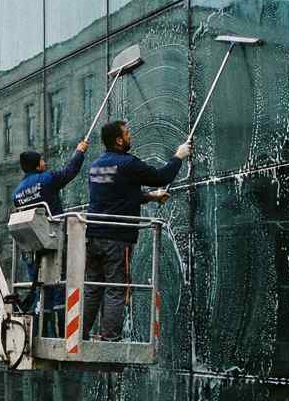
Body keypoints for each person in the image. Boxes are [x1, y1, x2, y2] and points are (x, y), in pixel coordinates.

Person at [84, 121, 187, 341]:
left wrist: (150, 197)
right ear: (119, 140)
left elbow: (116, 196)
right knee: (116, 288)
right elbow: (161, 177)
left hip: (93, 236)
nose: (130, 136)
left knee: (92, 288)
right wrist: (179, 156)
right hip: (117, 238)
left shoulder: (96, 166)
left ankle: (78, 334)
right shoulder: (128, 163)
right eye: (127, 133)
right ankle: (110, 339)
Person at [12, 138, 90, 328]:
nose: (45, 163)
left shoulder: (17, 193)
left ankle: (43, 329)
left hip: (32, 247)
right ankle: (64, 329)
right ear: (36, 165)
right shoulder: (46, 179)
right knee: (60, 284)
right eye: (42, 160)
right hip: (54, 241)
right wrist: (79, 151)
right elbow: (70, 171)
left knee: (41, 287)